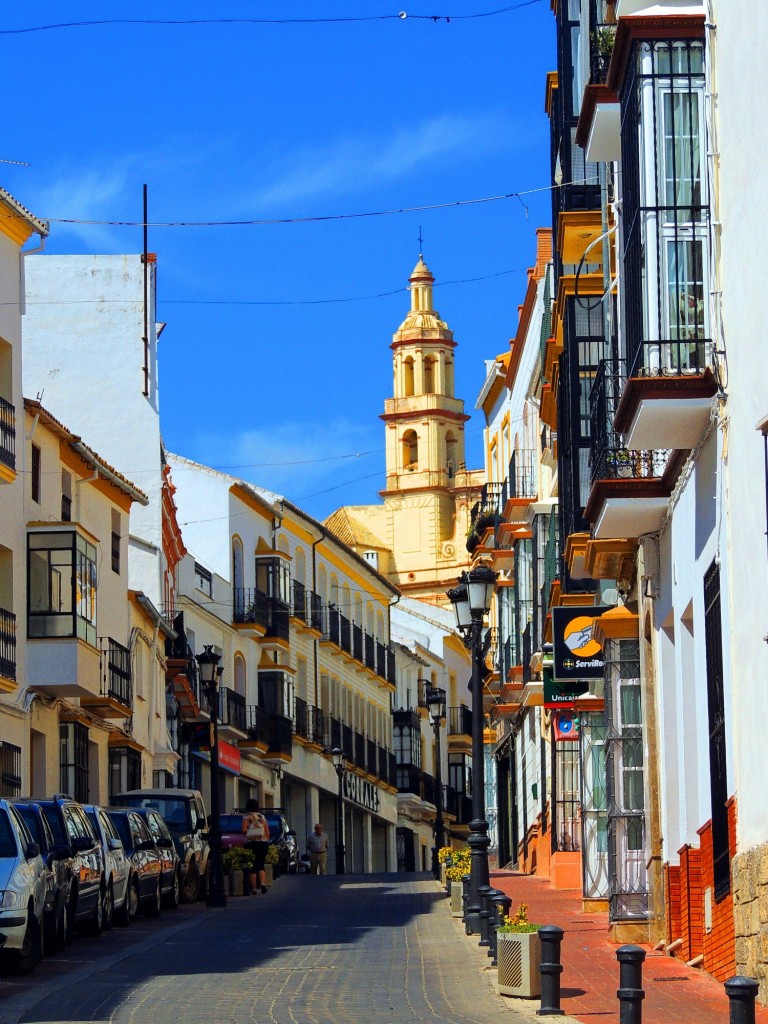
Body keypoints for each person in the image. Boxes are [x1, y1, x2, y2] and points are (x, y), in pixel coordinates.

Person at [242, 798, 271, 894]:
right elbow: (267, 832)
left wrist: (251, 831)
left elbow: (243, 830)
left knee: (253, 865)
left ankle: (254, 888)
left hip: (251, 843)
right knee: (261, 864)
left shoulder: (246, 817)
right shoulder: (262, 817)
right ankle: (262, 883)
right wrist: (264, 839)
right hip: (262, 843)